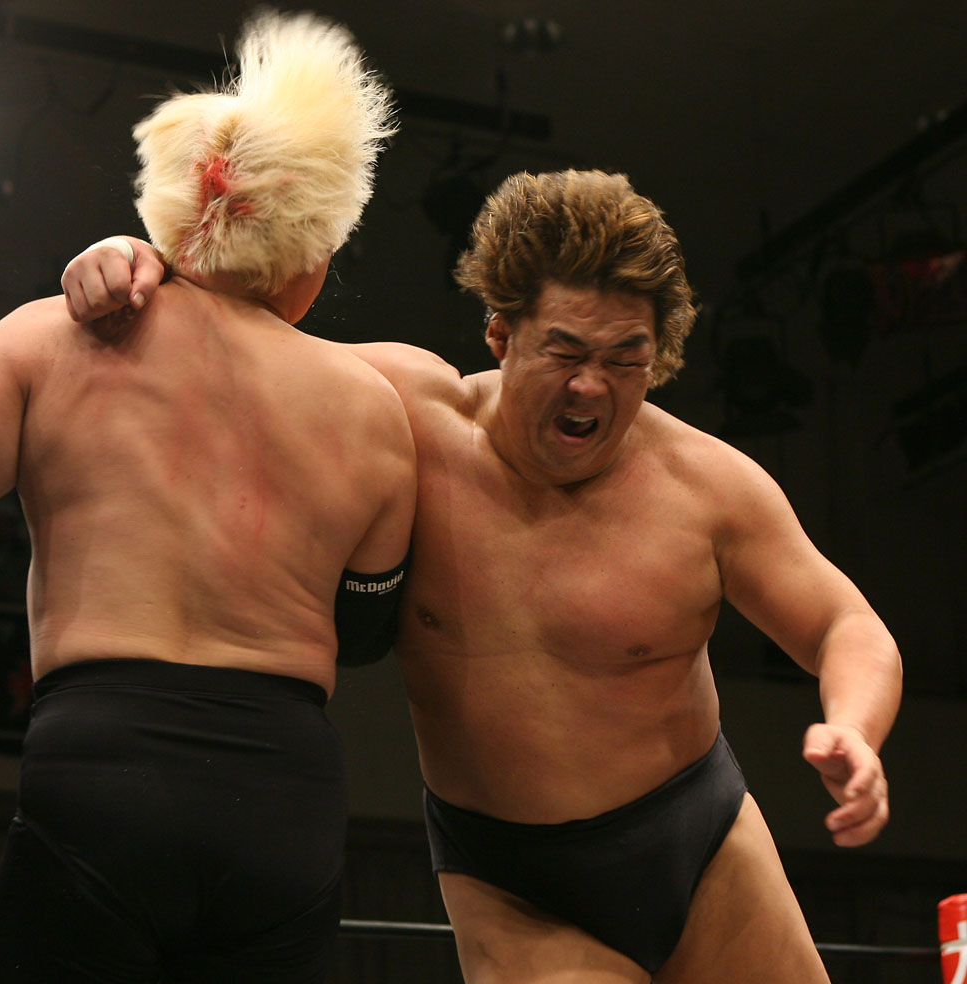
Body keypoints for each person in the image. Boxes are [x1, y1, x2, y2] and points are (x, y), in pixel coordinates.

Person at [62, 168, 902, 983]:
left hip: (704, 843)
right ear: (500, 335)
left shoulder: (710, 489)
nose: (591, 385)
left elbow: (846, 626)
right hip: (515, 886)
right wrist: (140, 264)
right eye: (565, 350)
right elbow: (228, 343)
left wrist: (856, 730)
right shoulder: (404, 419)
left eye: (626, 358)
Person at [0, 11, 416, 984]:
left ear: (168, 217)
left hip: (104, 764)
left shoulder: (51, 341)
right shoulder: (374, 412)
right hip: (284, 796)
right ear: (314, 251)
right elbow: (366, 631)